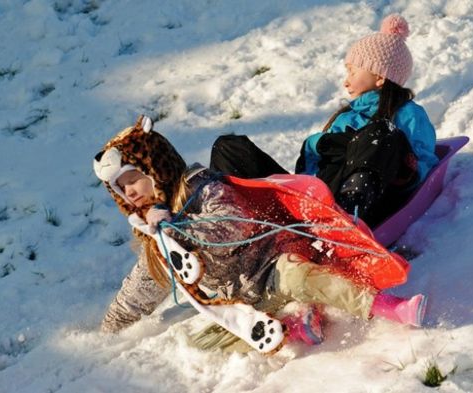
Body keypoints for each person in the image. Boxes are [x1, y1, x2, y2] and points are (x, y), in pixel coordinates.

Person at [94, 115, 427, 351]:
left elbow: (230, 227)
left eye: (133, 178)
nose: (130, 192)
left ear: (156, 168)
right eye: (121, 188)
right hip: (244, 301)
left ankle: (386, 306)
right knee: (206, 339)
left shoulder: (203, 187)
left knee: (303, 279)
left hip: (269, 270)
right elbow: (143, 285)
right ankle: (294, 326)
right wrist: (112, 325)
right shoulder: (156, 240)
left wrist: (178, 230)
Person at [210, 14, 438, 227]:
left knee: (381, 132)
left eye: (353, 72)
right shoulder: (346, 116)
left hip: (361, 205)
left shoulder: (407, 114)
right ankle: (227, 220)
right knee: (228, 147)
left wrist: (400, 160)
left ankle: (347, 214)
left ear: (379, 76)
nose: (346, 82)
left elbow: (424, 166)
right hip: (312, 204)